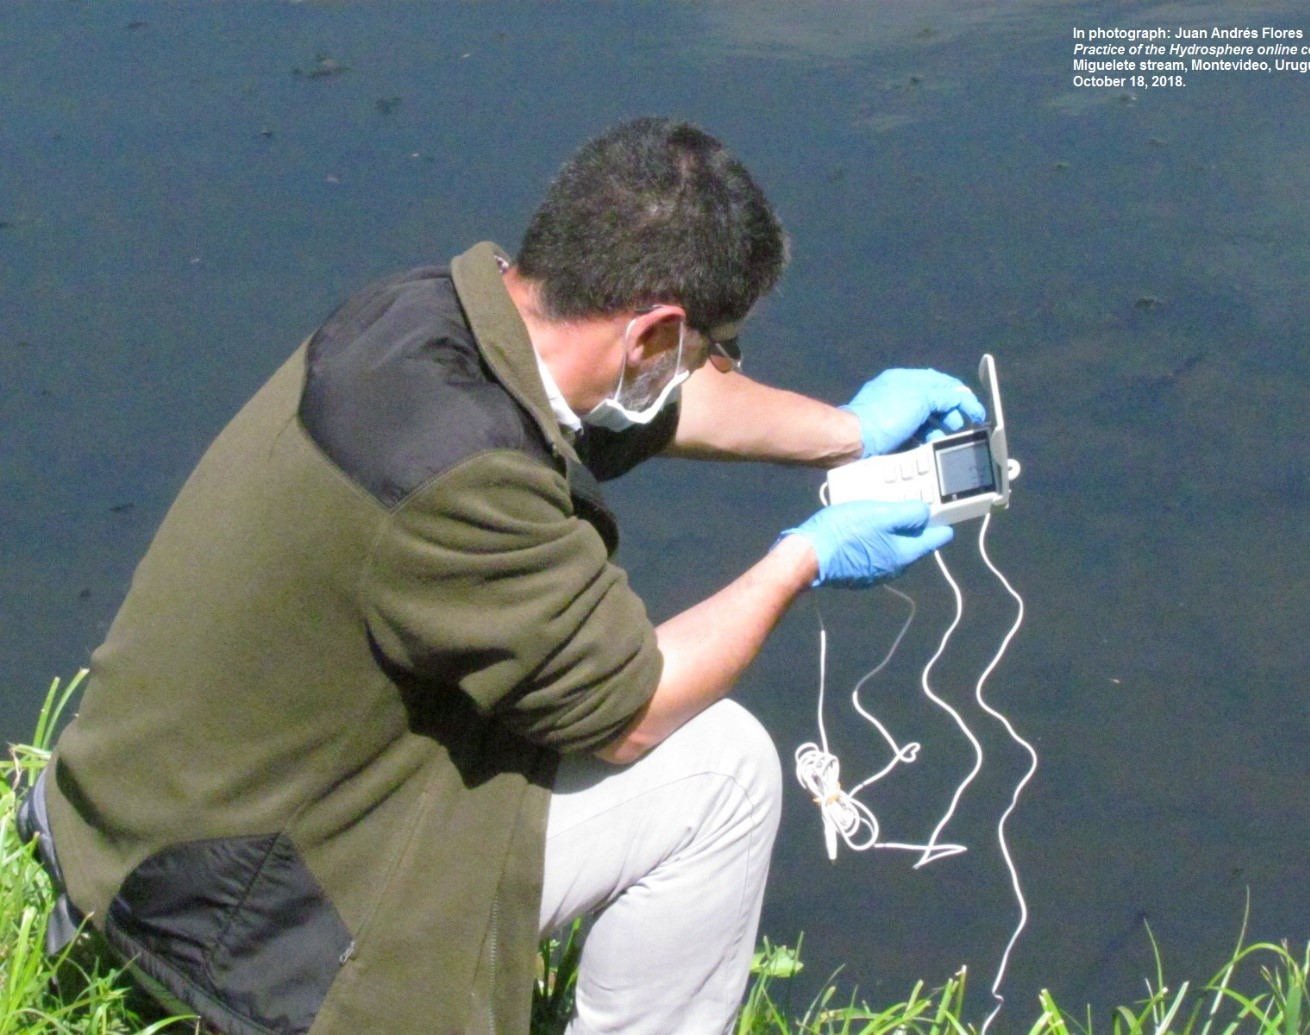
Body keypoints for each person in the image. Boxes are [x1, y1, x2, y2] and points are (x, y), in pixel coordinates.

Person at [18, 117, 986, 1035]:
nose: (716, 369)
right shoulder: (466, 473)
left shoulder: (422, 317)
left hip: (127, 819)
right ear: (653, 336)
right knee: (718, 768)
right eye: (714, 350)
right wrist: (805, 558)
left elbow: (639, 408)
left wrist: (846, 435)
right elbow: (630, 709)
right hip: (233, 930)